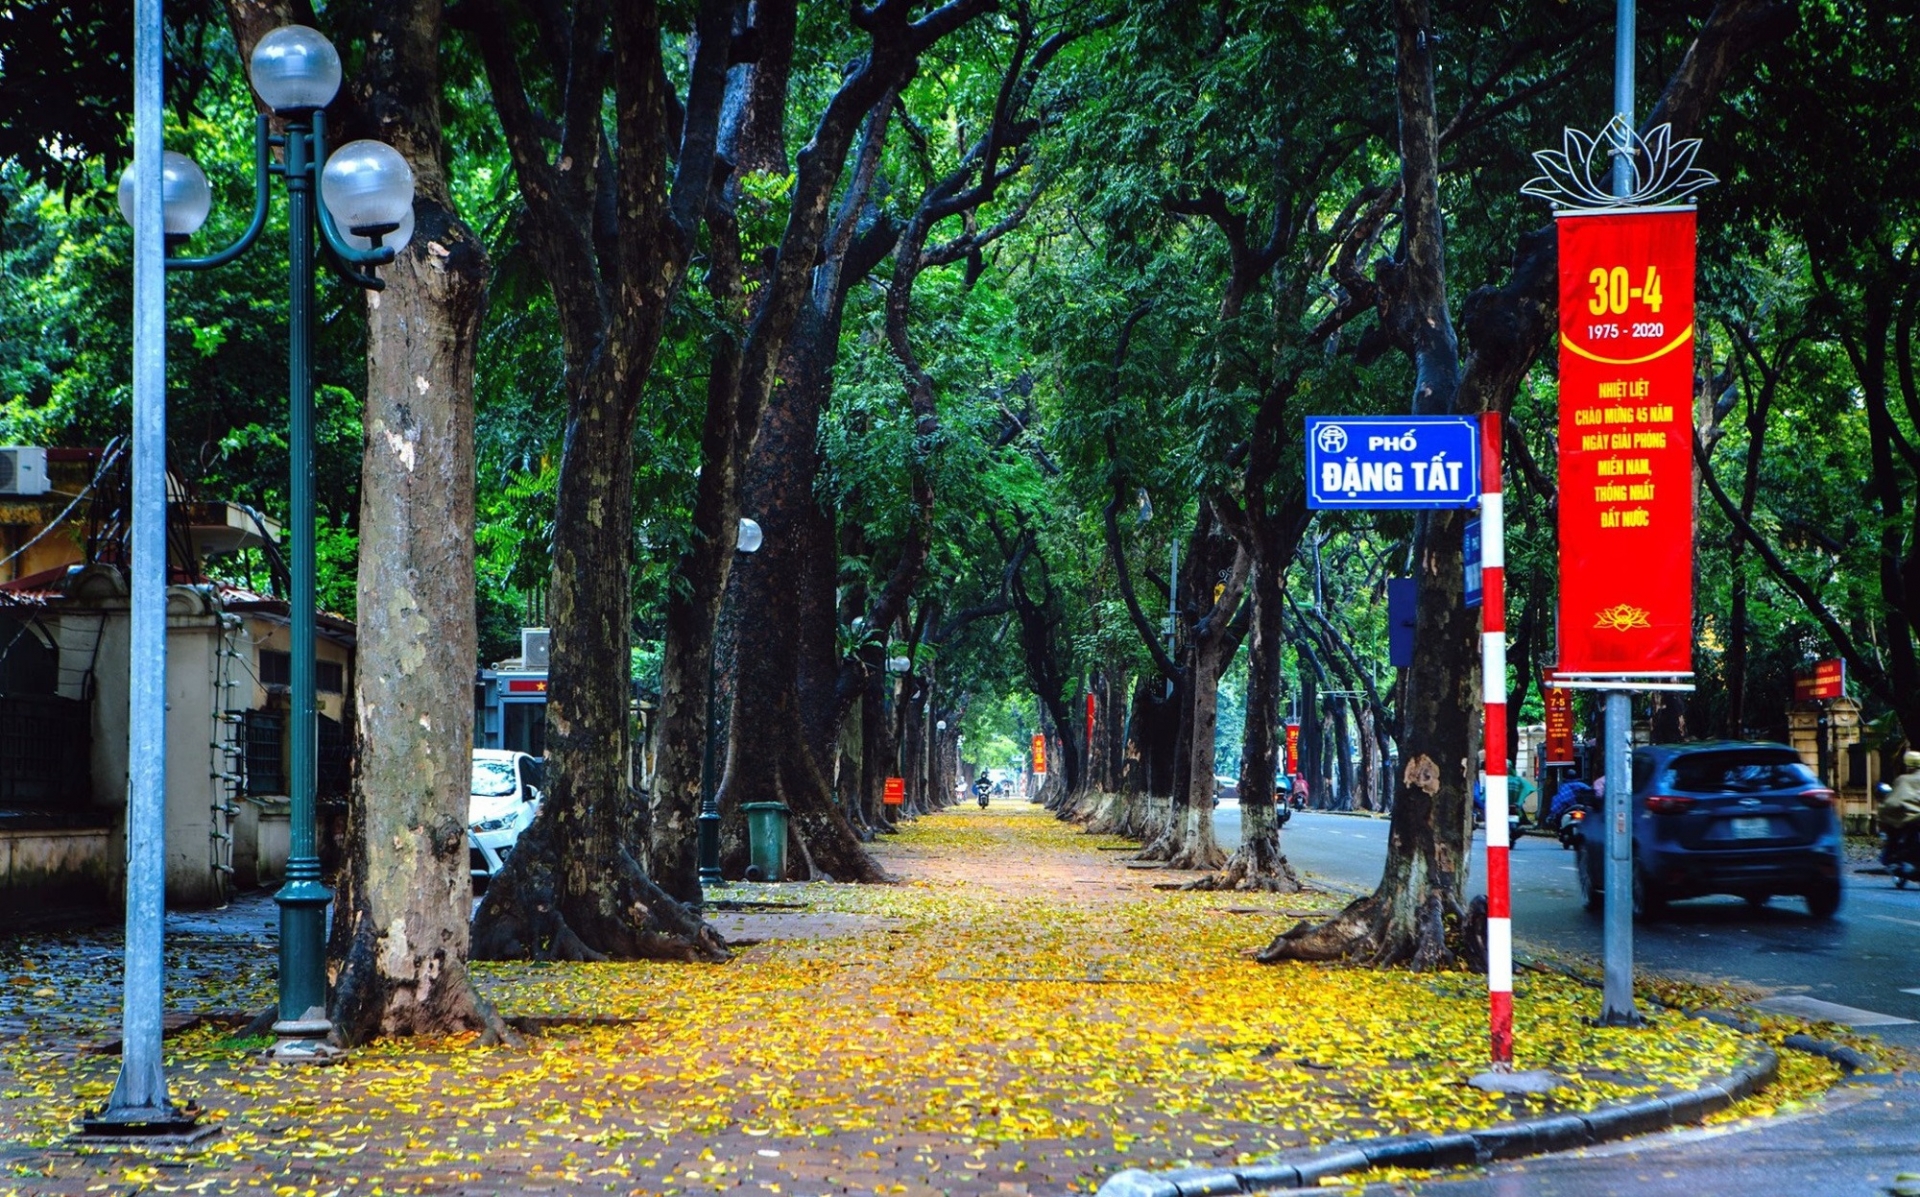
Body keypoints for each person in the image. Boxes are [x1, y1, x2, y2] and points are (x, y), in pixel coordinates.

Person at [1879, 751, 1920, 865]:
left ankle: (1892, 856)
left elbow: (1893, 802)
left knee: (1894, 830)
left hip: (1909, 819)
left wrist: (1884, 810)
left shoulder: (1903, 780)